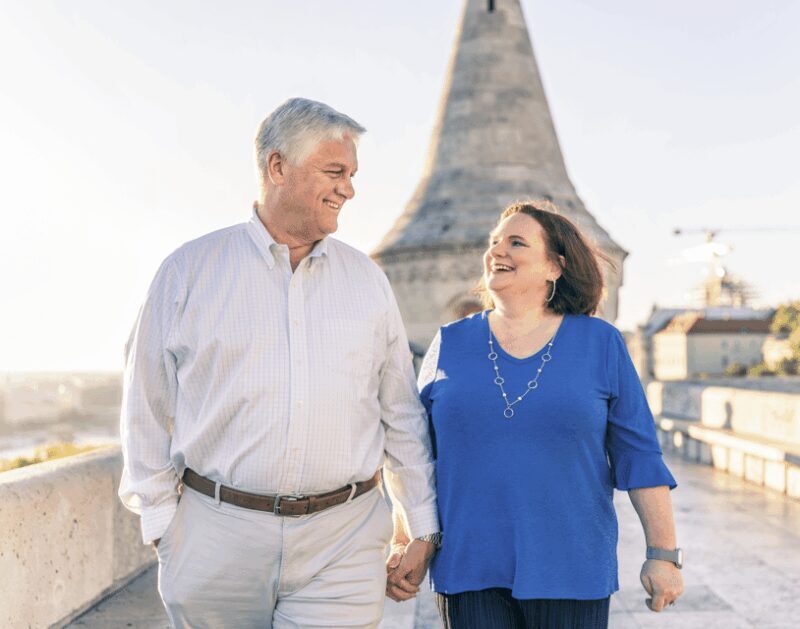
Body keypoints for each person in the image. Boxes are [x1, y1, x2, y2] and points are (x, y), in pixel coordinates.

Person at [119, 97, 439, 628]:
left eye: (352, 174)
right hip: (214, 540)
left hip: (344, 542)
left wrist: (421, 523)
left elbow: (399, 414)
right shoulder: (187, 272)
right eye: (335, 171)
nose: (350, 189)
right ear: (277, 166)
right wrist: (164, 527)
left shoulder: (368, 282)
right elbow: (144, 408)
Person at [387, 201, 683, 628]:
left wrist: (663, 555)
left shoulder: (600, 343)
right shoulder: (449, 342)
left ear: (554, 267)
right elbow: (412, 453)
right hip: (468, 568)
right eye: (494, 243)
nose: (496, 252)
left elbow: (640, 458)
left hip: (572, 568)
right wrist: (408, 537)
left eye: (516, 242)